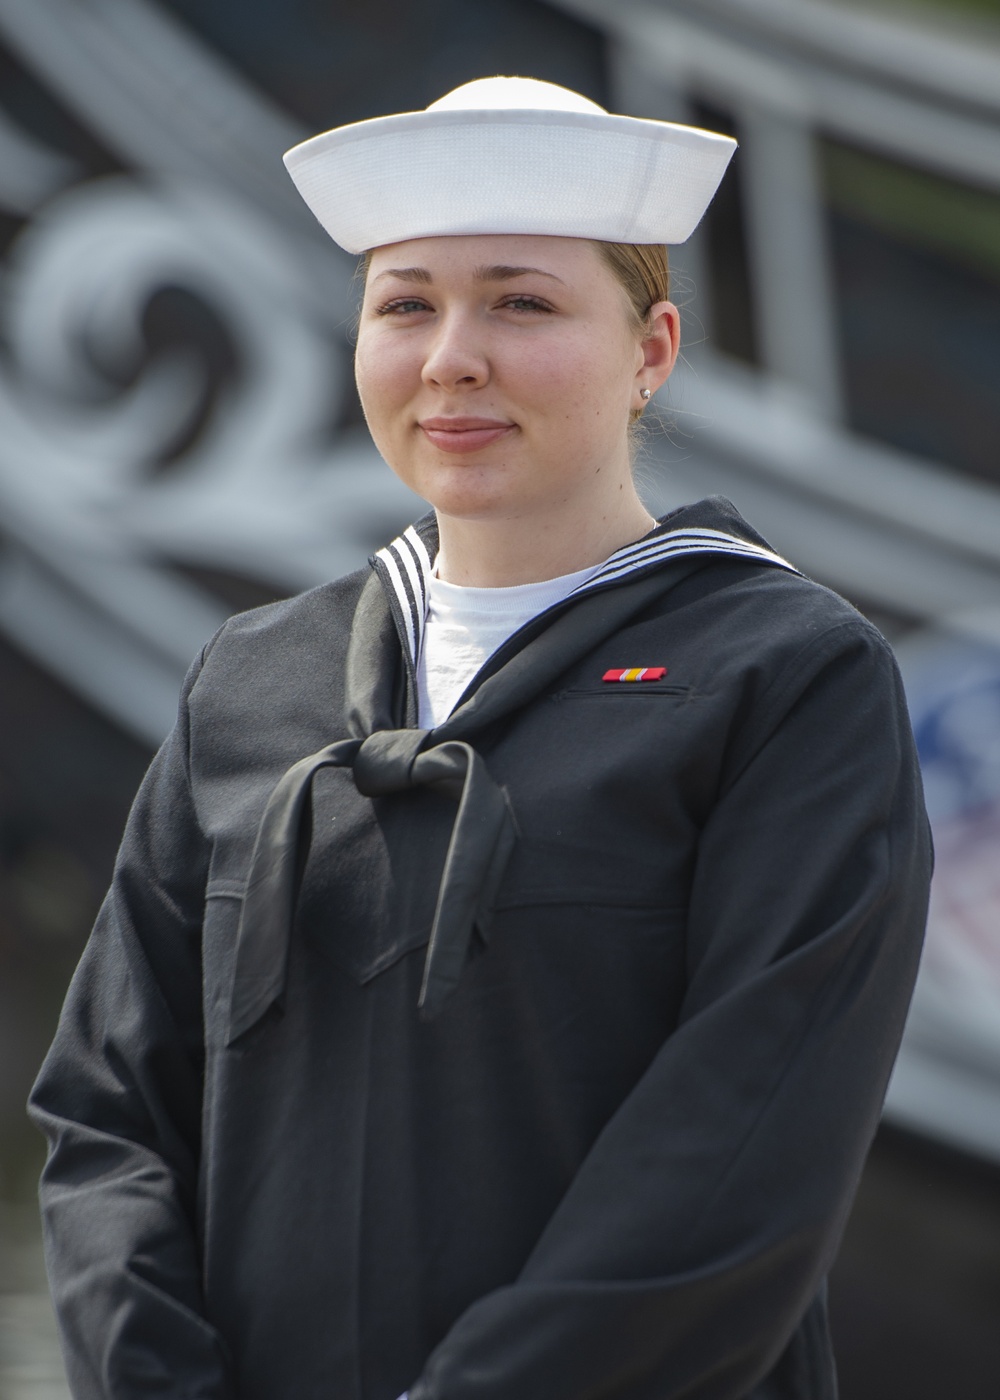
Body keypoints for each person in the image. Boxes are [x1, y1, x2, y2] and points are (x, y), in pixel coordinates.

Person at [29, 77, 931, 1400]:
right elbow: (112, 1121)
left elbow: (743, 1156)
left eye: (522, 302)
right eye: (405, 303)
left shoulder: (786, 678)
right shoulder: (251, 682)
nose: (454, 354)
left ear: (654, 350)